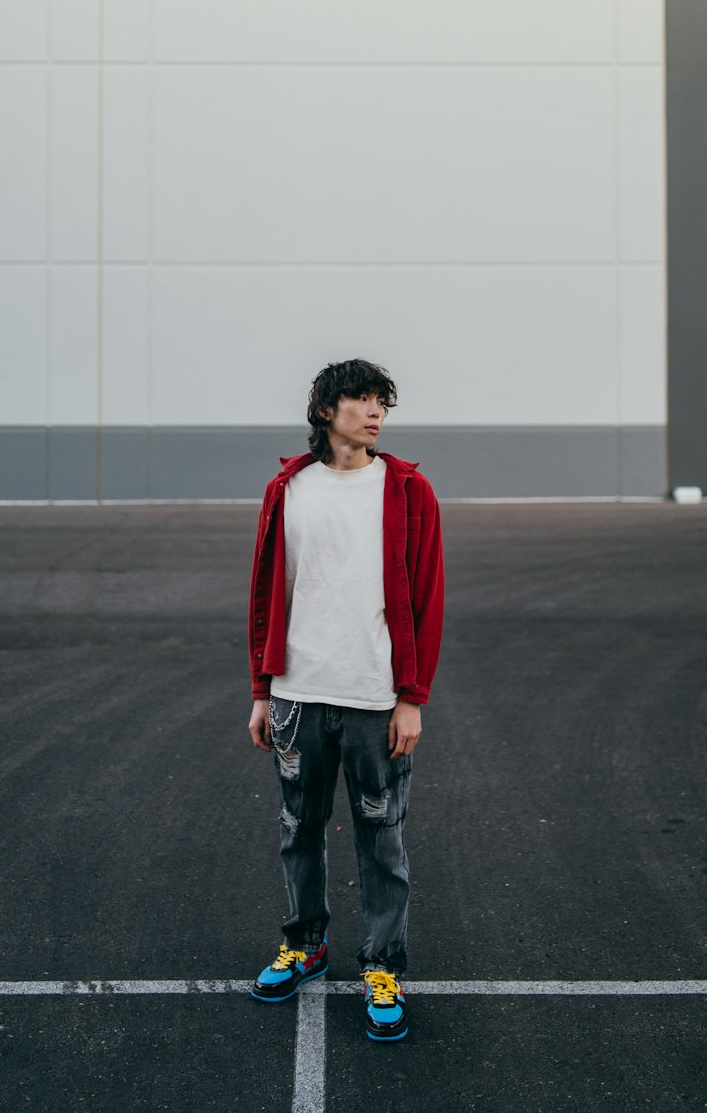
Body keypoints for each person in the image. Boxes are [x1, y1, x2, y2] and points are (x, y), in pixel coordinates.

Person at [246, 357, 445, 1042]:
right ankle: (305, 945)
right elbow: (268, 596)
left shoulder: (409, 490)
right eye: (361, 399)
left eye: (381, 401)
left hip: (372, 697)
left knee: (381, 838)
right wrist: (261, 692)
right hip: (298, 695)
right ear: (326, 411)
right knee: (296, 830)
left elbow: (427, 600)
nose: (375, 412)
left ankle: (382, 965)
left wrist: (411, 698)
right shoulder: (288, 489)